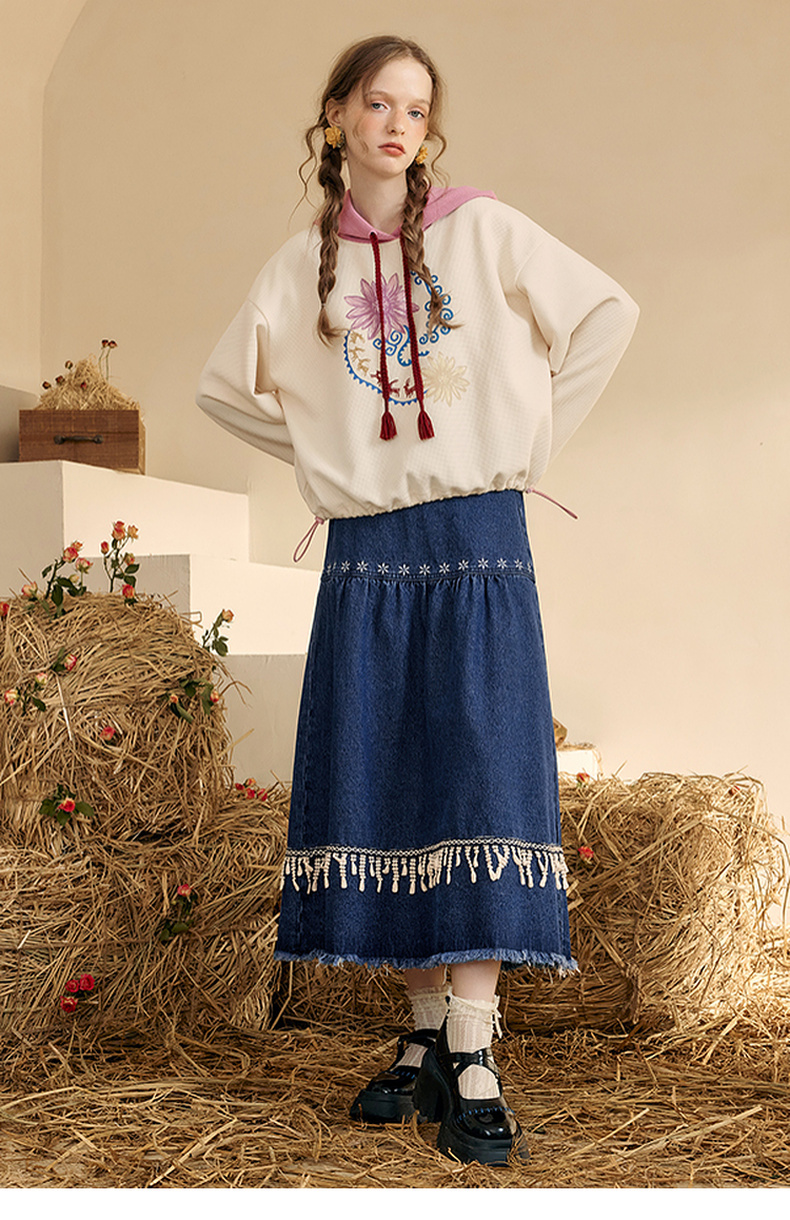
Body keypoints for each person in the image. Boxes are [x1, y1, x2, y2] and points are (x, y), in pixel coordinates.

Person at [196, 34, 638, 1166]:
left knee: (479, 770)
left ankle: (474, 1049)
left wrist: (533, 436)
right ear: (337, 115)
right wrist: (326, 454)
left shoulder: (481, 229)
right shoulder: (299, 267)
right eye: (378, 103)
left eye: (417, 109)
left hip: (480, 539)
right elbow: (221, 387)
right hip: (368, 552)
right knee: (390, 774)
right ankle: (426, 1032)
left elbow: (607, 313)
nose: (399, 124)